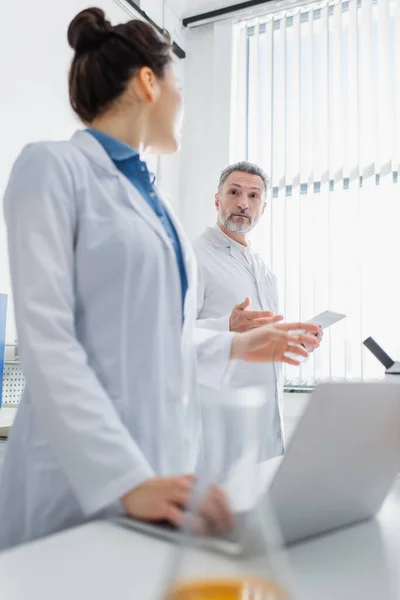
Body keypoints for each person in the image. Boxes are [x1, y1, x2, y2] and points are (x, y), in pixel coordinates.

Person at [0, 9, 318, 550]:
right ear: (149, 82)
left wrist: (237, 343)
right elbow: (49, 341)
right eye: (180, 86)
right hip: (78, 475)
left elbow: (156, 339)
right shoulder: (51, 168)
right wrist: (126, 478)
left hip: (163, 469)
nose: (183, 105)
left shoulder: (160, 207)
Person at [194, 162, 322, 462]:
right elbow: (171, 332)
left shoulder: (261, 266)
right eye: (234, 192)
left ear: (262, 209)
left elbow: (260, 331)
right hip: (220, 416)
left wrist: (292, 338)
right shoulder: (194, 255)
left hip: (265, 414)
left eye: (254, 196)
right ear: (217, 200)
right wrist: (225, 326)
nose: (243, 202)